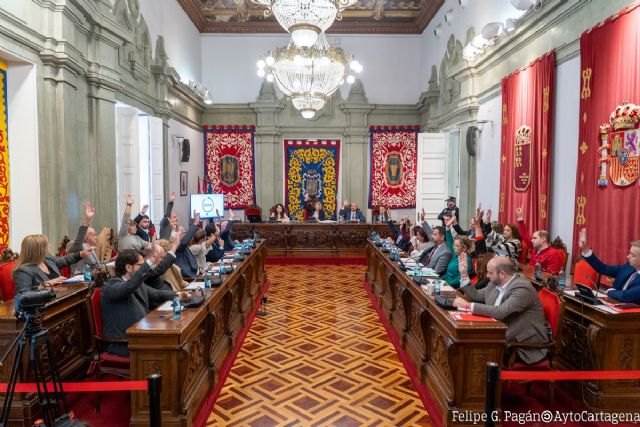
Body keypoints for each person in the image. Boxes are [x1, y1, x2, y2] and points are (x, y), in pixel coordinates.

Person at [453, 256, 551, 365]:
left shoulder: (522, 288)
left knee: (470, 345)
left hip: (522, 345)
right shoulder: (495, 283)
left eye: (490, 273)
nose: (487, 276)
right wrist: (464, 274)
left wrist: (468, 305)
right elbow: (476, 296)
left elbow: (501, 312)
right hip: (499, 331)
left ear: (502, 274)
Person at [100, 249, 188, 356]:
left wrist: (177, 295)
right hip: (124, 342)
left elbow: (156, 294)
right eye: (140, 265)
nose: (145, 269)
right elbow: (128, 287)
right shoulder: (111, 287)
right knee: (171, 347)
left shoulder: (136, 283)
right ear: (128, 267)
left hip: (141, 334)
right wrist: (149, 262)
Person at [13, 234, 91, 294]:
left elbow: (63, 260)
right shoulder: (23, 271)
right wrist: (48, 283)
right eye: (46, 245)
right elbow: (23, 295)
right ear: (38, 250)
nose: (49, 246)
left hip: (59, 297)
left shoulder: (47, 259)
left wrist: (81, 254)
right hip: (42, 308)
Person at [579, 229, 640, 303]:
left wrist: (610, 292)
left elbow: (625, 296)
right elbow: (603, 268)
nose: (628, 256)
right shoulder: (628, 267)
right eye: (629, 253)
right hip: (612, 306)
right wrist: (586, 251)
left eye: (633, 255)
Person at [516, 207, 563, 274]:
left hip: (538, 282)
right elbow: (525, 235)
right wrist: (520, 218)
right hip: (528, 276)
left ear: (543, 239)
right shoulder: (535, 247)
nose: (532, 240)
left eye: (535, 238)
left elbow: (551, 276)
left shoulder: (553, 254)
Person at [441, 215, 474, 288]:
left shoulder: (467, 260)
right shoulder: (456, 255)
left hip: (455, 288)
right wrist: (439, 280)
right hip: (446, 284)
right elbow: (450, 242)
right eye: (454, 245)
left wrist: (447, 284)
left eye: (457, 246)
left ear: (464, 248)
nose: (454, 248)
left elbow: (461, 278)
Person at [67, 202, 100, 275]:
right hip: (80, 282)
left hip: (93, 279)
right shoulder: (77, 247)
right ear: (87, 237)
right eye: (94, 235)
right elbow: (78, 240)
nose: (96, 237)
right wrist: (87, 220)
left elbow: (97, 265)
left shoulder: (90, 247)